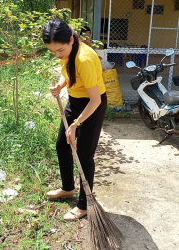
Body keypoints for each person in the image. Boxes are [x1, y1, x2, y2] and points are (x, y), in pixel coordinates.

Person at [42, 19, 107, 220]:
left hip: (92, 106)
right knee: (62, 144)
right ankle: (68, 188)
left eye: (60, 50)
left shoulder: (85, 59)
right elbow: (68, 73)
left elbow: (95, 100)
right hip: (75, 101)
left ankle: (84, 204)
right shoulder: (66, 51)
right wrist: (60, 86)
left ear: (71, 39)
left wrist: (75, 125)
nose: (57, 55)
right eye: (52, 52)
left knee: (84, 155)